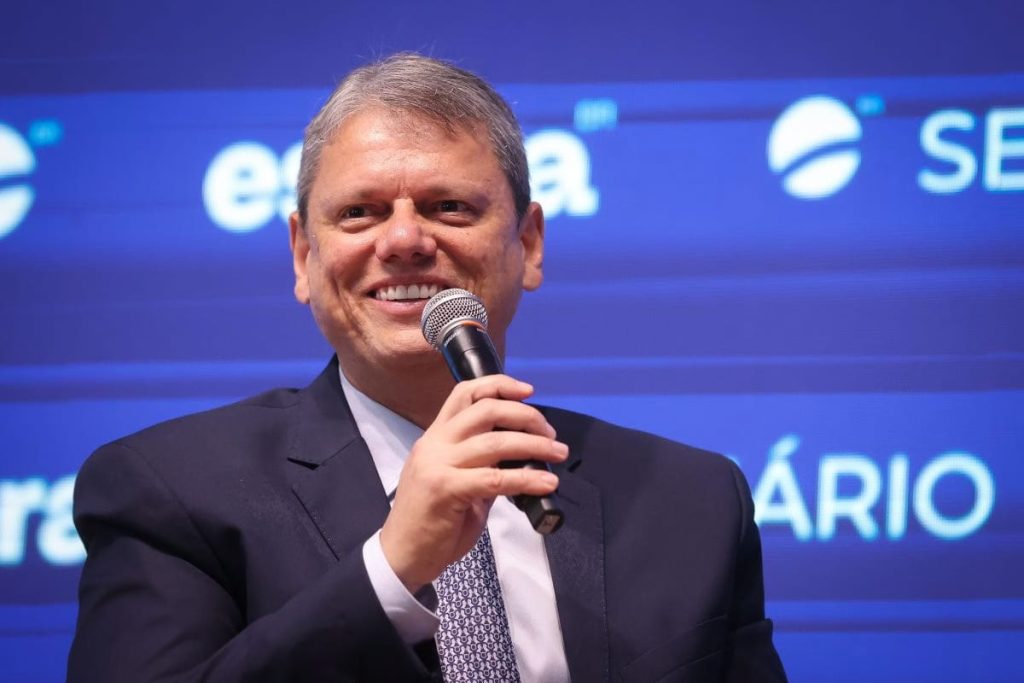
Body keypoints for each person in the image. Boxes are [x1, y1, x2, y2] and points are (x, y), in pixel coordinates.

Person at [68, 53, 787, 682]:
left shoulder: (692, 503)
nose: (406, 240)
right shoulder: (171, 492)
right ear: (303, 256)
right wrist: (390, 569)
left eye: (449, 206)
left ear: (529, 244)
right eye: (360, 212)